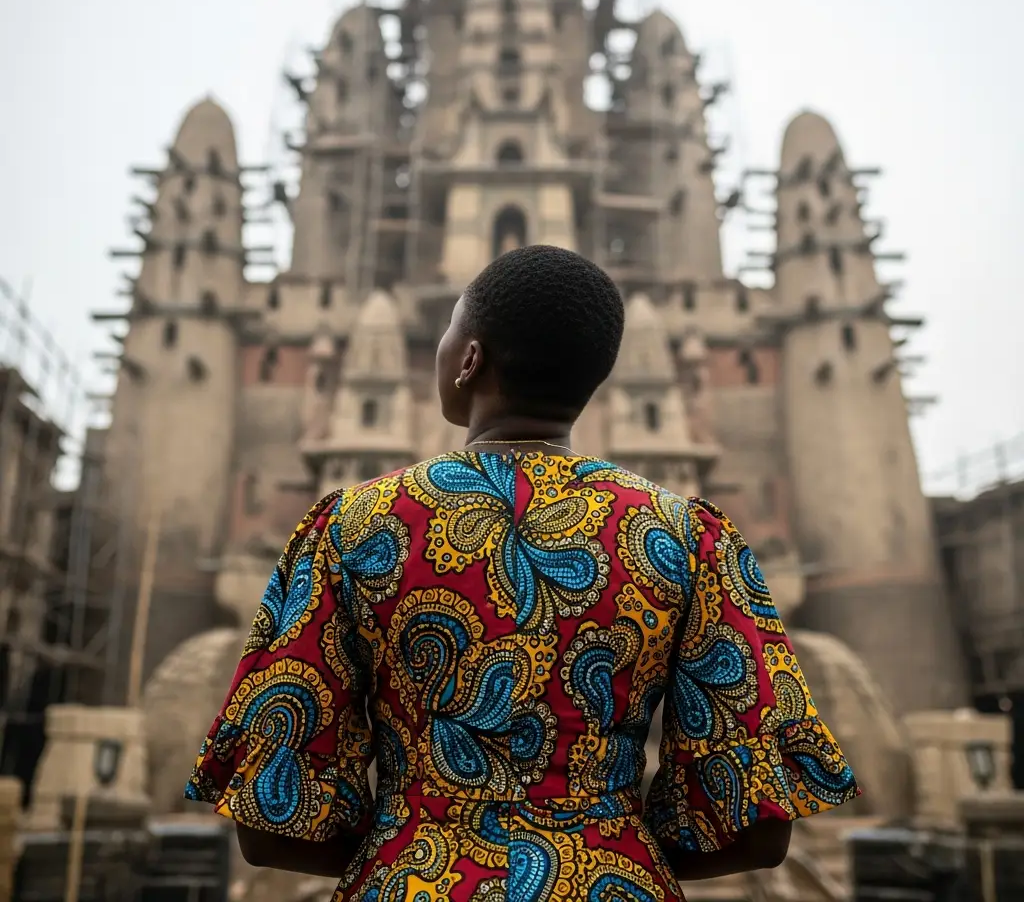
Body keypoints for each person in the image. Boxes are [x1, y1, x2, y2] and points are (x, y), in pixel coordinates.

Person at [185, 245, 859, 900]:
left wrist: (410, 843)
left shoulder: (353, 528)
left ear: (470, 359)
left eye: (451, 330)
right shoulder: (686, 540)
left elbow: (270, 825)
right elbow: (756, 833)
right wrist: (604, 849)